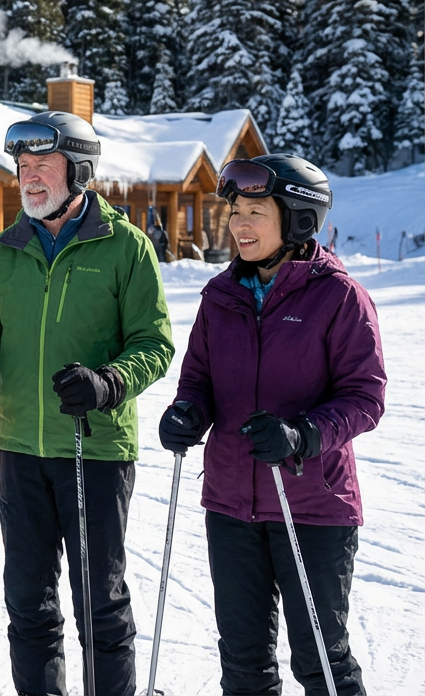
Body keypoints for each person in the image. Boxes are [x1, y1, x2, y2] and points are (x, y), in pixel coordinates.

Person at [0, 111, 174, 696]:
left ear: (80, 171)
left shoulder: (125, 247)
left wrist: (109, 382)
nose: (29, 178)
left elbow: (155, 344)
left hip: (95, 447)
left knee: (101, 603)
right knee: (29, 602)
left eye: (44, 165)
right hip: (21, 448)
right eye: (22, 166)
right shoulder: (6, 249)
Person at [160, 155, 384, 694]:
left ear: (298, 218)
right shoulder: (220, 296)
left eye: (255, 211)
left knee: (320, 661)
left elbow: (365, 396)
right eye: (235, 210)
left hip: (313, 505)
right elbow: (198, 381)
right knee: (243, 664)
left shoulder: (338, 297)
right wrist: (187, 412)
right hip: (232, 507)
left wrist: (302, 435)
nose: (238, 224)